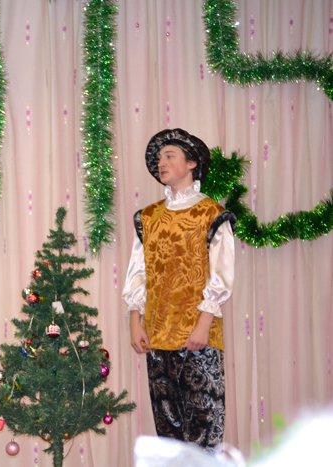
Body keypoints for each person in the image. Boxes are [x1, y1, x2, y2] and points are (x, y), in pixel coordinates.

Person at [122, 128, 235, 450]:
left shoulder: (211, 213)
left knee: (203, 428)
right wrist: (135, 321)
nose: (162, 163)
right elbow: (139, 272)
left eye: (170, 156)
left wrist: (203, 323)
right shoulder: (148, 217)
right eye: (159, 158)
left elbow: (221, 275)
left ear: (192, 163)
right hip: (158, 336)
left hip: (198, 336)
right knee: (168, 432)